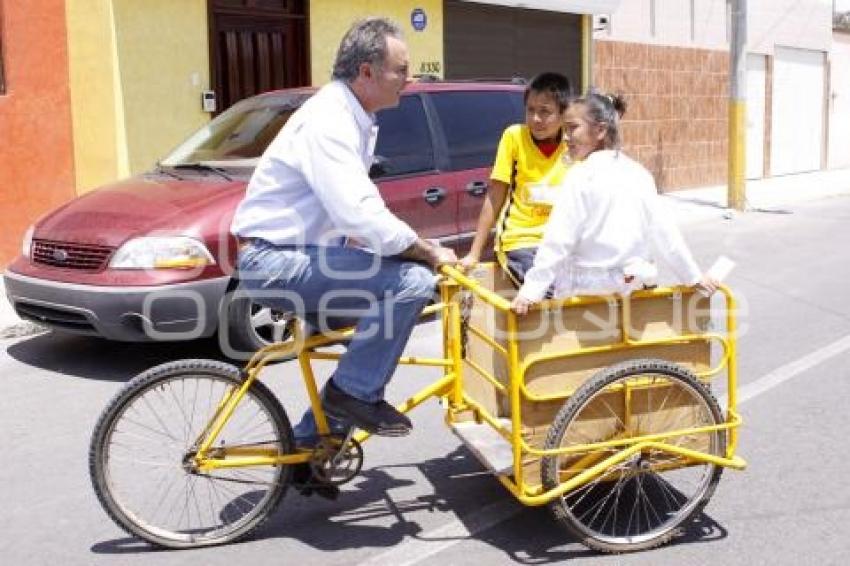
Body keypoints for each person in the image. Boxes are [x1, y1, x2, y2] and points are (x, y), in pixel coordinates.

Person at [231, 18, 457, 494]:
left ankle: (311, 449)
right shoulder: (330, 120)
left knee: (374, 332)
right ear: (367, 71)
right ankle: (352, 395)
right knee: (412, 284)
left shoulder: (352, 115)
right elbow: (359, 212)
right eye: (401, 70)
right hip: (276, 262)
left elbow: (350, 212)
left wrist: (391, 245)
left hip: (298, 254)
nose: (408, 79)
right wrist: (428, 252)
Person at [511, 91, 718, 315]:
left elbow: (558, 241)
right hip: (633, 290)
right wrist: (693, 276)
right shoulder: (639, 173)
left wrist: (530, 292)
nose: (566, 137)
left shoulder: (581, 176)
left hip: (587, 297)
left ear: (600, 130)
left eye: (573, 128)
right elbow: (665, 234)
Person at [458, 72, 572, 286]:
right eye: (530, 110)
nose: (536, 119)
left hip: (559, 244)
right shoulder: (514, 137)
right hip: (520, 241)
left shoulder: (572, 145)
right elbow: (495, 196)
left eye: (545, 112)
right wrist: (474, 253)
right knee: (545, 288)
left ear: (563, 114)